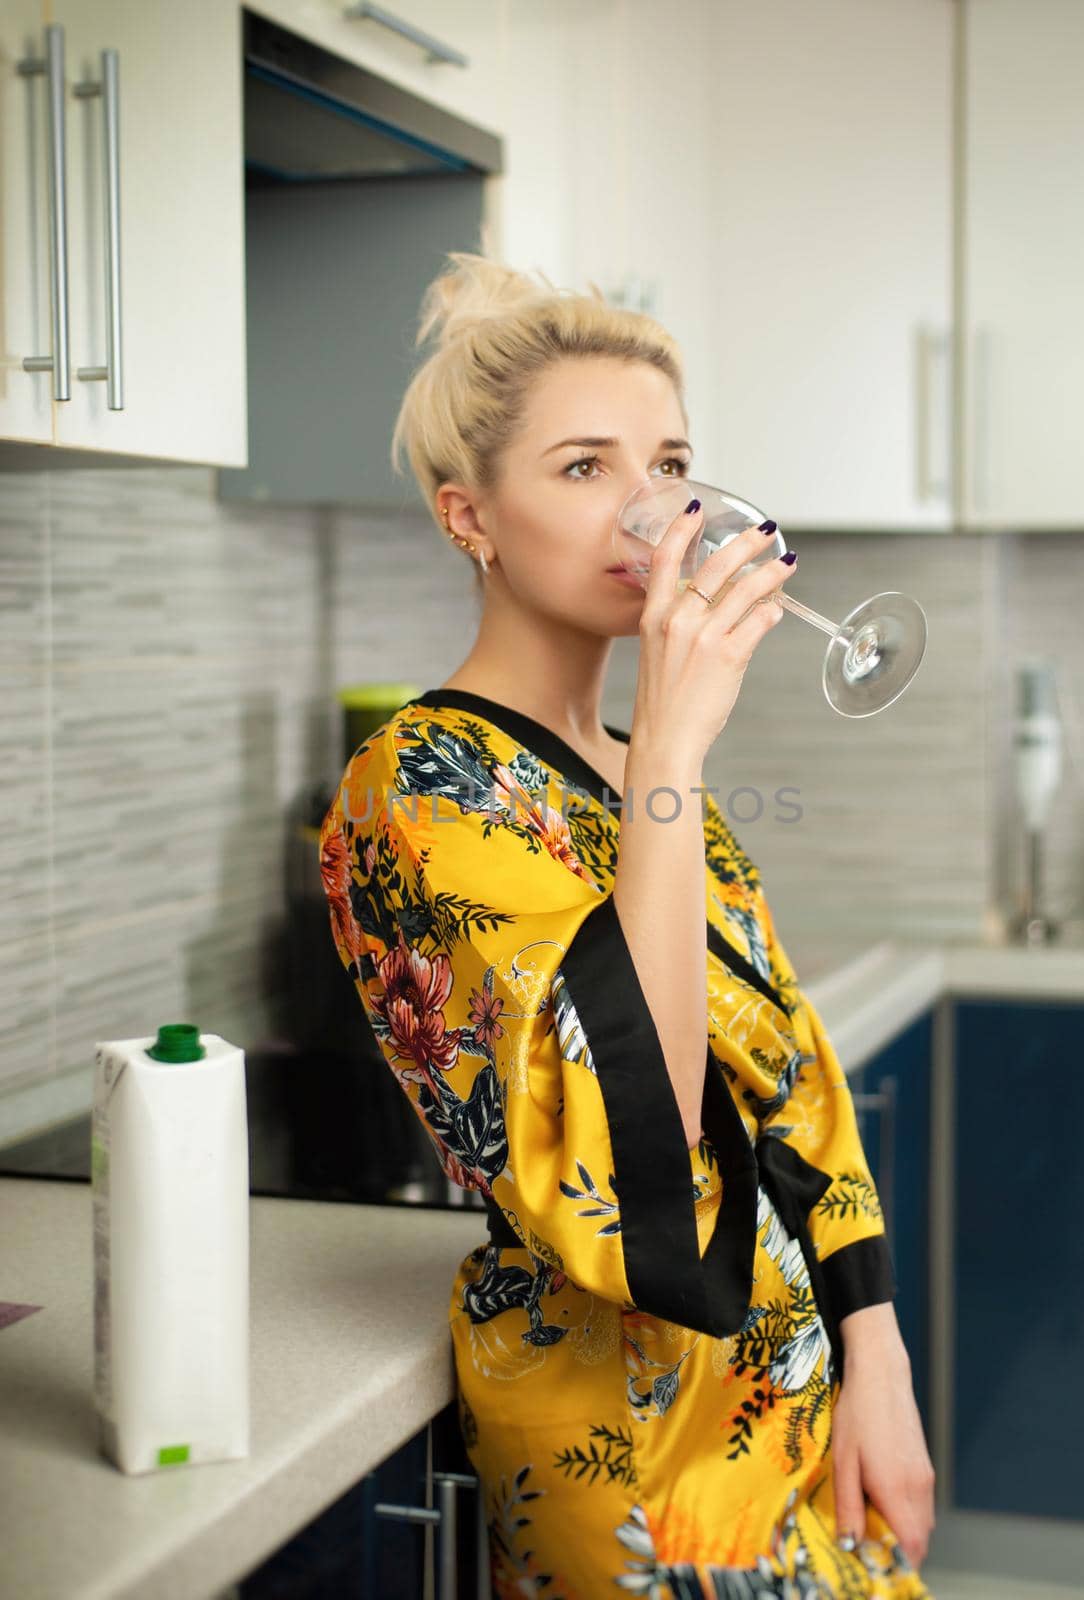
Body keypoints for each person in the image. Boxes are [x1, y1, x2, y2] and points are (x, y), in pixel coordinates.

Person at [318, 251, 935, 1596]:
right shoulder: (413, 785)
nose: (650, 512)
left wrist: (875, 1354)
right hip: (621, 1421)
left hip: (789, 1386)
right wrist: (671, 739)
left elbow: (790, 1072)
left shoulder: (639, 767)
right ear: (467, 514)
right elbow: (630, 1117)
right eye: (584, 466)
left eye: (668, 465)